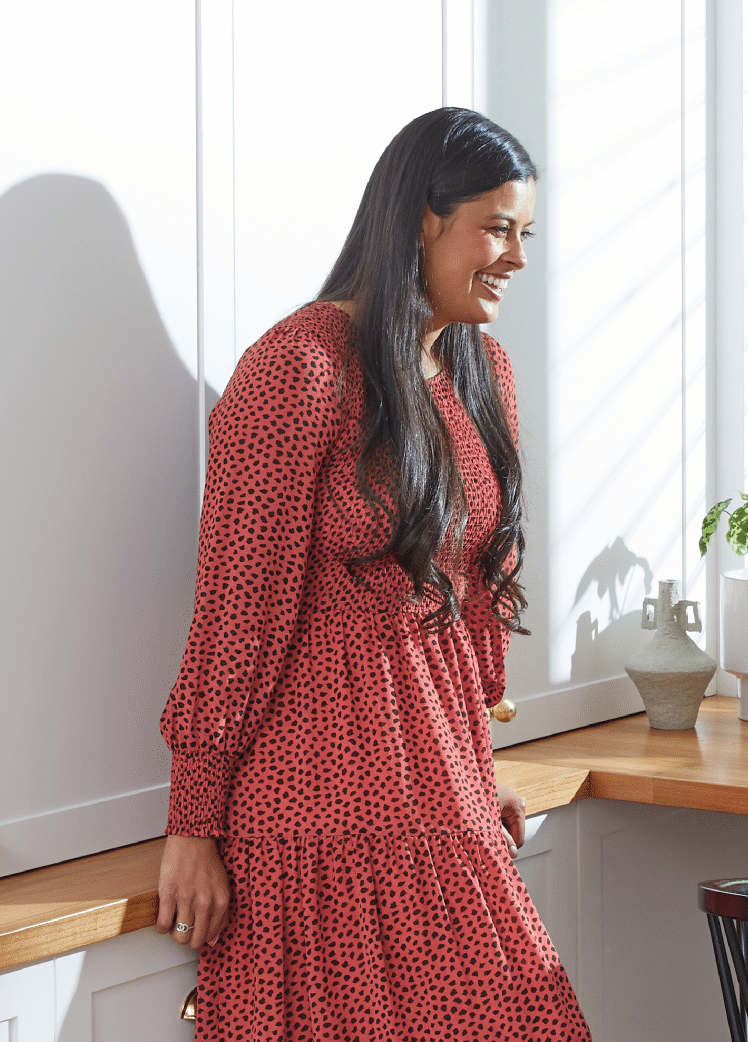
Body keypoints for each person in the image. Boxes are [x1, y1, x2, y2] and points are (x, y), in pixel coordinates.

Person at [150, 107, 587, 1041]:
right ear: (421, 220)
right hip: (314, 809)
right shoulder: (295, 371)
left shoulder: (481, 372)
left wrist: (473, 761)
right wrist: (192, 823)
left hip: (440, 791)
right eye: (497, 227)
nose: (516, 255)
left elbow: (464, 603)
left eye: (525, 233)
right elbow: (237, 616)